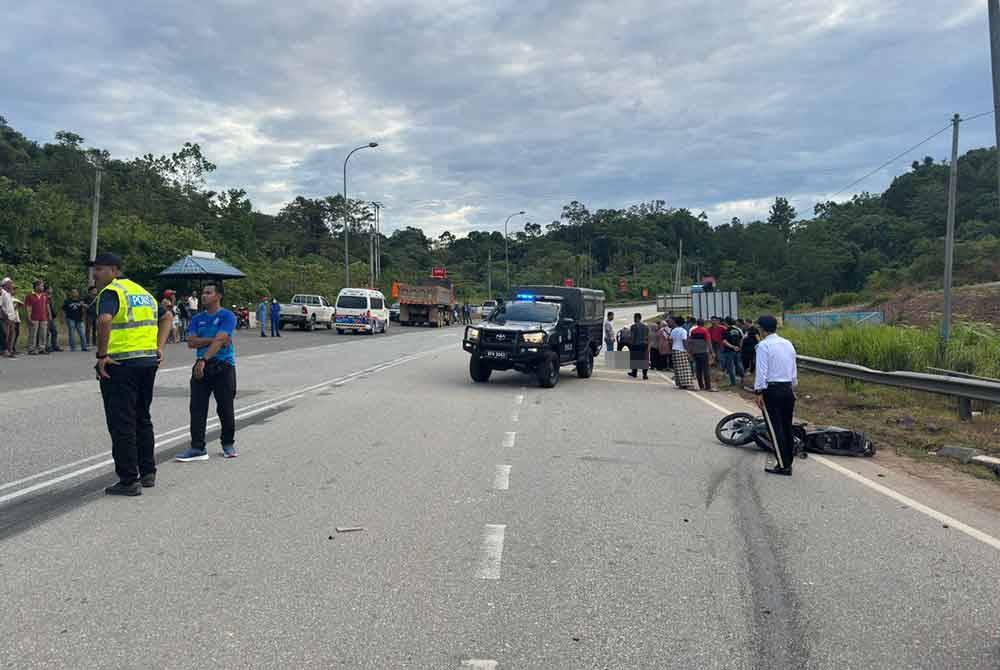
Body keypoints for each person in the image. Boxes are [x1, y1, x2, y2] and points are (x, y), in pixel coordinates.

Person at [93, 252, 173, 496]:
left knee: (122, 422)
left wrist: (101, 356)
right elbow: (167, 317)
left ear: (116, 270)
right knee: (142, 417)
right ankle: (148, 472)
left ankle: (129, 480)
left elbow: (105, 321)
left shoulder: (111, 293)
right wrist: (159, 348)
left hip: (120, 365)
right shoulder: (142, 293)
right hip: (147, 363)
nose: (96, 273)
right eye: (95, 269)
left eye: (101, 269)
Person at [177, 282, 239, 461]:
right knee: (197, 408)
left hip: (223, 366)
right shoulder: (197, 318)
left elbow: (221, 339)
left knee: (225, 407)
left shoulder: (228, 316)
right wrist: (214, 340)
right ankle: (197, 448)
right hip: (201, 367)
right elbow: (191, 342)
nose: (204, 296)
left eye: (208, 293)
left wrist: (205, 355)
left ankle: (228, 443)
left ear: (218, 296)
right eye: (203, 292)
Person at [754, 315, 798, 477]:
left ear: (762, 329)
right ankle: (788, 460)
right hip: (787, 389)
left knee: (775, 428)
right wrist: (792, 387)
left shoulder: (763, 346)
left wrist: (758, 391)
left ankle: (783, 465)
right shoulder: (787, 343)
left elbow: (761, 371)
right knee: (787, 426)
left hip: (772, 391)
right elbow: (793, 368)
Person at [24, 280, 50, 355]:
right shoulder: (29, 295)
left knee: (43, 334)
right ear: (36, 286)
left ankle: (42, 348)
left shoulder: (44, 295)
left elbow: (47, 306)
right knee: (33, 334)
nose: (43, 287)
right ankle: (31, 349)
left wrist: (48, 316)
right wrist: (28, 318)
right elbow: (28, 307)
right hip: (34, 317)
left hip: (43, 317)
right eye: (41, 286)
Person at [687, 318, 713, 391]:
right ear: (703, 324)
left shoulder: (693, 331)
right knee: (706, 369)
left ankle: (701, 386)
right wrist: (712, 352)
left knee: (698, 369)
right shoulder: (705, 330)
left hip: (695, 352)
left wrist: (689, 352)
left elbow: (690, 342)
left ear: (697, 323)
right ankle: (708, 387)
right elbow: (708, 342)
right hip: (703, 352)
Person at [669, 317, 696, 389]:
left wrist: (672, 347)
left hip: (674, 350)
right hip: (681, 350)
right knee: (685, 368)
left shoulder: (673, 330)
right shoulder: (683, 331)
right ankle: (688, 384)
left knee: (677, 368)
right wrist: (687, 351)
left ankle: (680, 384)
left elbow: (670, 341)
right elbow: (684, 341)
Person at [720, 317, 745, 386]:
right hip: (737, 350)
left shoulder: (726, 331)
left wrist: (733, 347)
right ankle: (743, 377)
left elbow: (724, 341)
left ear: (726, 323)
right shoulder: (738, 330)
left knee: (731, 367)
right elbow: (742, 339)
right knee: (739, 364)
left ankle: (733, 382)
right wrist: (739, 347)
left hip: (729, 351)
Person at [627, 313, 649, 380]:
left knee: (635, 359)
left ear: (636, 318)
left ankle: (634, 373)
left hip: (636, 344)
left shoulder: (634, 326)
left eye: (634, 318)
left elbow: (632, 336)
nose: (634, 319)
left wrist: (630, 344)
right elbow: (648, 336)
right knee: (644, 359)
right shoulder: (645, 326)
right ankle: (645, 375)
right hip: (644, 344)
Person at [1, 277, 18, 357]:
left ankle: (10, 350)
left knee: (12, 334)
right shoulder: (2, 293)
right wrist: (5, 316)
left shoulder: (9, 293)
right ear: (5, 284)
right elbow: (1, 306)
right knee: (6, 334)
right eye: (10, 283)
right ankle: (5, 350)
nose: (11, 284)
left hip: (12, 317)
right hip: (5, 317)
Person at [45, 285, 62, 352]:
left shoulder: (50, 297)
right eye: (50, 288)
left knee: (54, 332)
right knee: (46, 332)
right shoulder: (45, 297)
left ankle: (54, 345)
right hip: (47, 317)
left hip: (51, 316)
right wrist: (49, 316)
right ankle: (46, 346)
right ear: (46, 290)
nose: (51, 290)